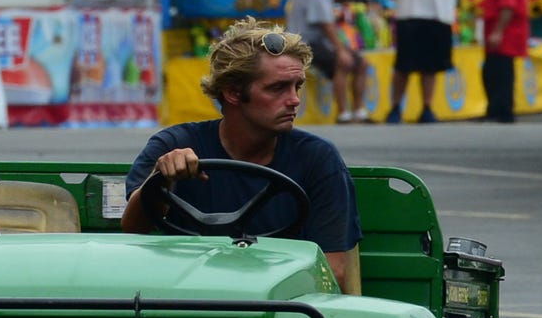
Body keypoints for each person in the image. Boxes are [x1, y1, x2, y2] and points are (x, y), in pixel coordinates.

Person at [124, 18, 363, 291]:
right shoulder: (173, 144)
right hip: (184, 299)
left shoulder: (317, 159)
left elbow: (331, 274)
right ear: (233, 93)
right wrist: (161, 179)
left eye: (297, 86)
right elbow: (132, 230)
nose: (295, 100)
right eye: (277, 88)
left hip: (280, 303)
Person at [287, 0, 349, 118]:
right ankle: (343, 114)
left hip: (315, 40)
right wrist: (341, 50)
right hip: (303, 42)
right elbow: (324, 23)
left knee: (360, 63)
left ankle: (359, 111)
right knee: (342, 62)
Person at [479, 0, 531, 124]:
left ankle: (502, 110)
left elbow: (507, 5)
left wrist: (498, 31)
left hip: (506, 32)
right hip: (505, 30)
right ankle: (496, 108)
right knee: (494, 70)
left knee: (500, 71)